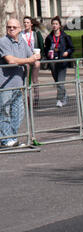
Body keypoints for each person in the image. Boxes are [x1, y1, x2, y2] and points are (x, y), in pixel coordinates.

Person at [0, 19, 40, 147]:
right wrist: (29, 59)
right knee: (5, 112)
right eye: (9, 27)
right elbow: (11, 60)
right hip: (5, 84)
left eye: (14, 27)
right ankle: (6, 139)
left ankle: (12, 137)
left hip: (19, 83)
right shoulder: (3, 42)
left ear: (19, 29)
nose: (11, 29)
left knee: (18, 113)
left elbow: (31, 57)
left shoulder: (22, 41)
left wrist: (35, 60)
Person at [44, 16, 74, 108]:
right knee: (57, 82)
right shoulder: (49, 37)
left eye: (56, 24)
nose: (54, 26)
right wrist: (48, 54)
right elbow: (46, 48)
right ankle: (65, 96)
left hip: (62, 62)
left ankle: (60, 100)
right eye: (53, 24)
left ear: (60, 26)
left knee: (60, 82)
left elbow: (71, 48)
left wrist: (67, 52)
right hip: (53, 62)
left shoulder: (65, 37)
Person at [21, 16, 44, 108]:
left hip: (35, 58)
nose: (25, 24)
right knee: (25, 80)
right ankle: (27, 98)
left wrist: (40, 56)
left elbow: (41, 46)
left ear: (31, 24)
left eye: (27, 22)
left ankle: (36, 98)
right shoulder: (21, 34)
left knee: (34, 79)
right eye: (24, 22)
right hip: (25, 59)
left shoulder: (36, 34)